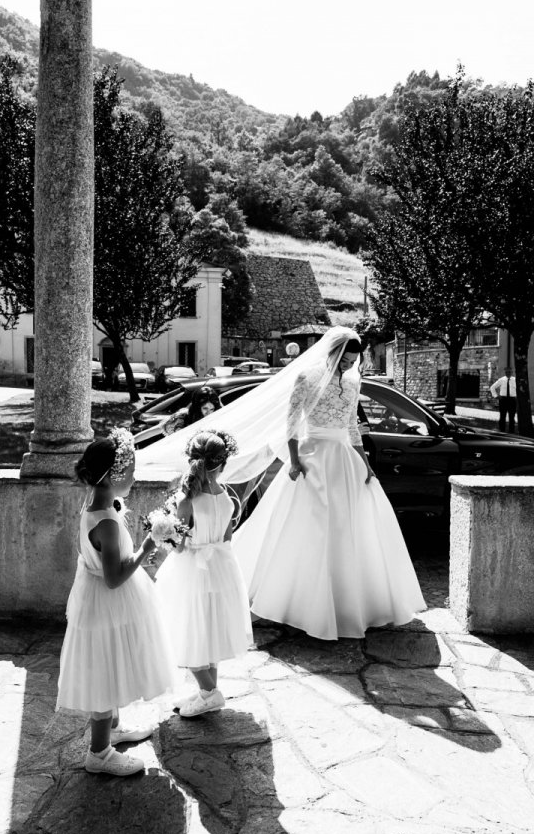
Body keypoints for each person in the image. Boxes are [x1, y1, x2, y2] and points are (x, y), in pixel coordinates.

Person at [136, 327, 426, 640]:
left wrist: (366, 464)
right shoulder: (308, 377)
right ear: (333, 354)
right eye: (345, 361)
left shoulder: (354, 381)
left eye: (353, 362)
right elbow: (291, 422)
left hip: (345, 461)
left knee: (352, 529)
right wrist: (295, 460)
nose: (348, 367)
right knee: (307, 529)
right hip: (312, 457)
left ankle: (349, 604)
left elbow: (352, 427)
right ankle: (299, 602)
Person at [56, 428, 175, 776]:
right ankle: (99, 753)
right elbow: (113, 579)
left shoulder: (97, 502)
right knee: (105, 671)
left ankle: (113, 728)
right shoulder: (105, 522)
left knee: (112, 663)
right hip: (107, 600)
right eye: (133, 472)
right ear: (115, 474)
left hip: (100, 599)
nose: (135, 478)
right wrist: (146, 550)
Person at [155, 431, 253, 717]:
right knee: (207, 631)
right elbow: (226, 539)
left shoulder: (187, 500)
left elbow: (181, 546)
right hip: (221, 569)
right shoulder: (227, 497)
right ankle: (206, 691)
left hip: (191, 571)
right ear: (222, 465)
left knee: (187, 631)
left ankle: (210, 693)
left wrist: (163, 535)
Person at [490, 367, 517, 433]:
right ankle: (502, 431)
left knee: (512, 416)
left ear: (512, 372)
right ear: (505, 372)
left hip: (512, 400)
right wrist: (496, 396)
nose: (508, 373)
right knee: (502, 416)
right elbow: (492, 387)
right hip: (503, 400)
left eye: (509, 372)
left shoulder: (515, 380)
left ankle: (511, 431)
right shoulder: (501, 380)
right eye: (507, 372)